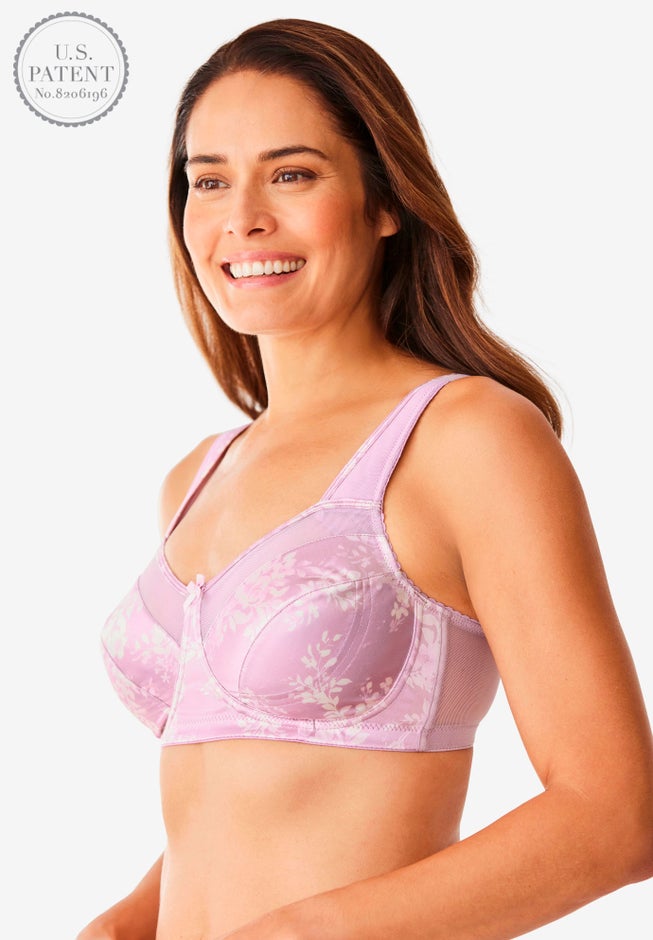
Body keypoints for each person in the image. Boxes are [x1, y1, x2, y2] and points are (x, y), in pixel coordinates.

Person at [77, 17, 653, 940]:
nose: (242, 216)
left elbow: (614, 816)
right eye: (209, 180)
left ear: (385, 201)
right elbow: (244, 795)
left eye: (292, 174)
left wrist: (297, 934)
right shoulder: (196, 477)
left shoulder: (467, 438)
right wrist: (124, 923)